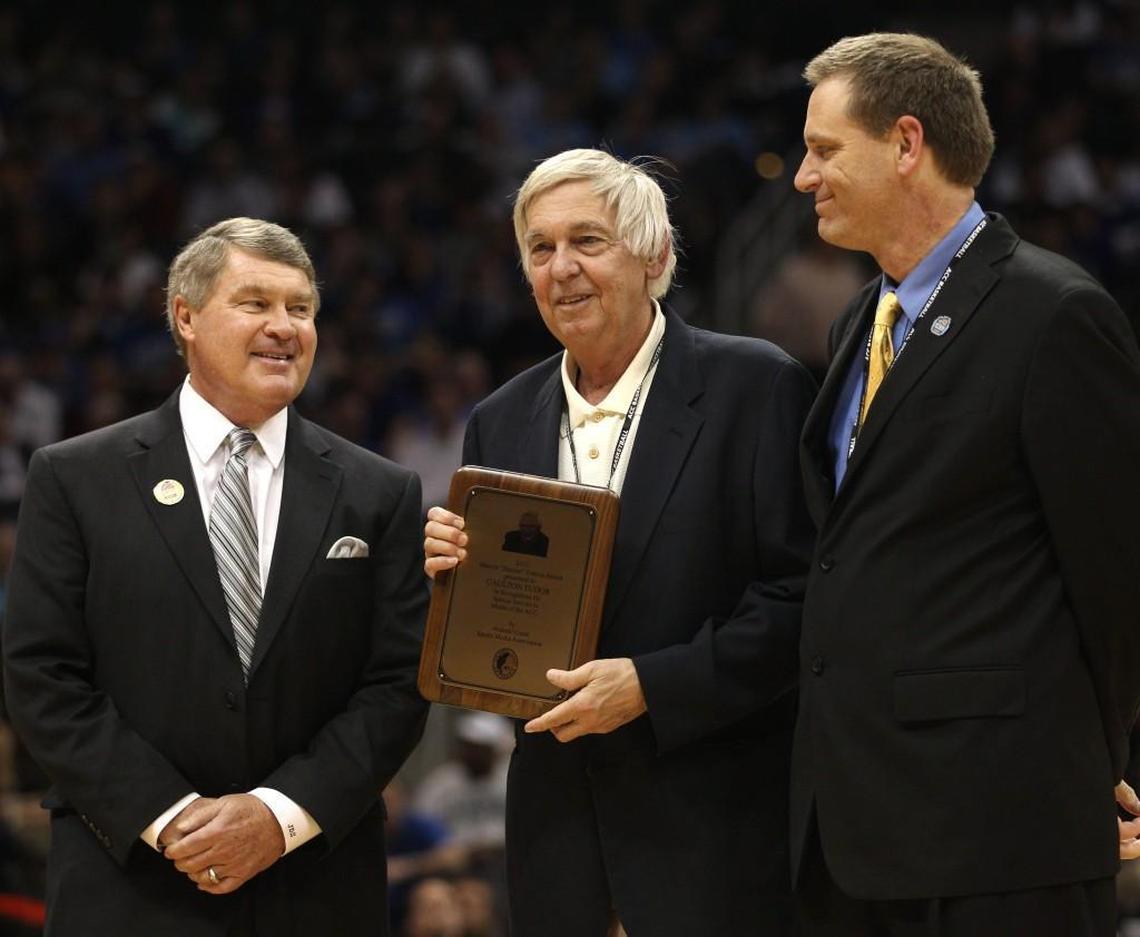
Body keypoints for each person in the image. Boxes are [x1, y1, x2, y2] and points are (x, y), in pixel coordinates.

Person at [790, 33, 1140, 936]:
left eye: (824, 149)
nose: (801, 176)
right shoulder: (855, 326)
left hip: (1001, 829)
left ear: (907, 144)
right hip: (859, 828)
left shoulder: (1054, 313)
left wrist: (1096, 760)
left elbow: (1115, 577)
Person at [424, 148, 816, 937]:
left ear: (656, 257)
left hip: (714, 833)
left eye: (588, 242)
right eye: (541, 248)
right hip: (557, 841)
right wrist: (450, 579)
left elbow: (803, 601)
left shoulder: (757, 385)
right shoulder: (498, 419)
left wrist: (651, 685)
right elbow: (497, 639)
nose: (561, 267)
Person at [2, 217, 429, 936]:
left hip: (315, 887)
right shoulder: (76, 477)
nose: (284, 326)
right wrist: (172, 820)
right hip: (129, 883)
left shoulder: (380, 490)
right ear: (186, 316)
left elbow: (397, 684)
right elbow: (42, 675)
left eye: (301, 308)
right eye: (256, 302)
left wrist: (276, 815)